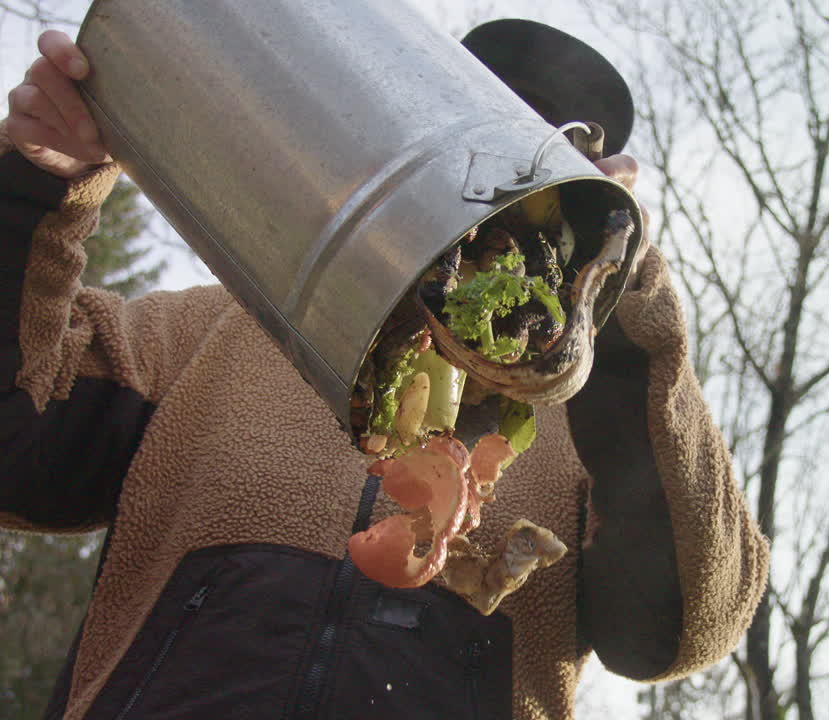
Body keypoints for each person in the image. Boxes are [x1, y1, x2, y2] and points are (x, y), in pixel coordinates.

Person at [0, 29, 768, 720]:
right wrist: (37, 184)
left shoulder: (600, 423)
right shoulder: (216, 327)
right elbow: (16, 446)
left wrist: (623, 304)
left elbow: (681, 627)